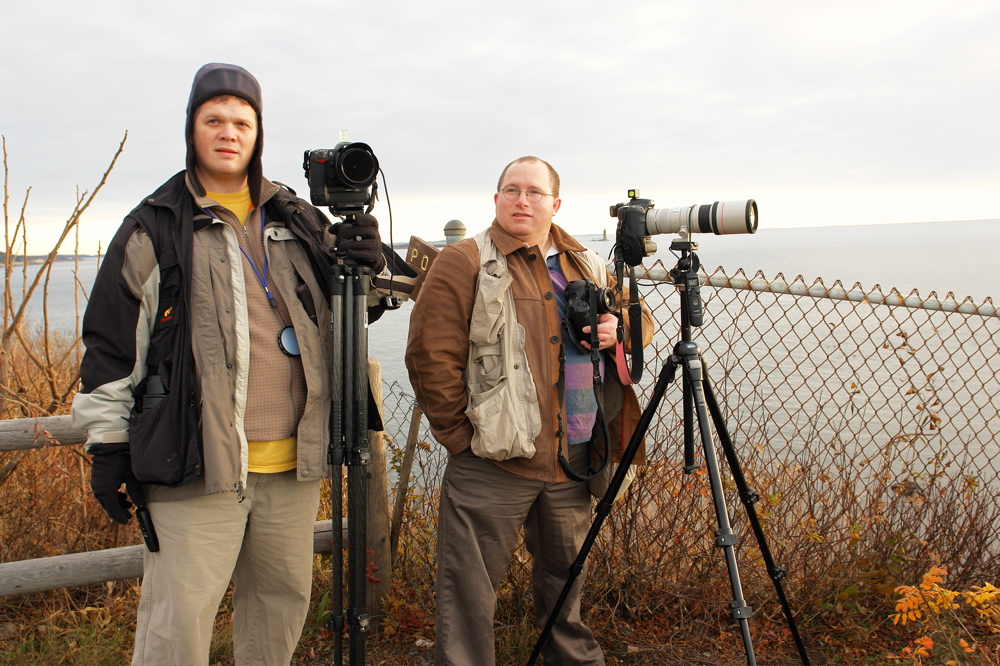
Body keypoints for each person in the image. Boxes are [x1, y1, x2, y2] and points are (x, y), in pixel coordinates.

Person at [71, 63, 387, 666]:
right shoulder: (154, 226)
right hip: (196, 463)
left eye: (242, 122)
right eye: (213, 119)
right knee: (177, 630)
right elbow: (112, 349)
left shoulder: (296, 218)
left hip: (291, 467)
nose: (228, 132)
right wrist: (108, 444)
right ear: (191, 129)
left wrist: (366, 266)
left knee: (279, 613)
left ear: (258, 134)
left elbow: (355, 313)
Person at [405, 156, 654, 665]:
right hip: (492, 462)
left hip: (573, 459)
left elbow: (638, 319)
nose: (523, 200)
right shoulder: (466, 261)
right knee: (467, 597)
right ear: (495, 199)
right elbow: (430, 355)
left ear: (555, 204)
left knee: (566, 591)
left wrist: (618, 331)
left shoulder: (585, 261)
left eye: (535, 193)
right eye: (512, 190)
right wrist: (462, 440)